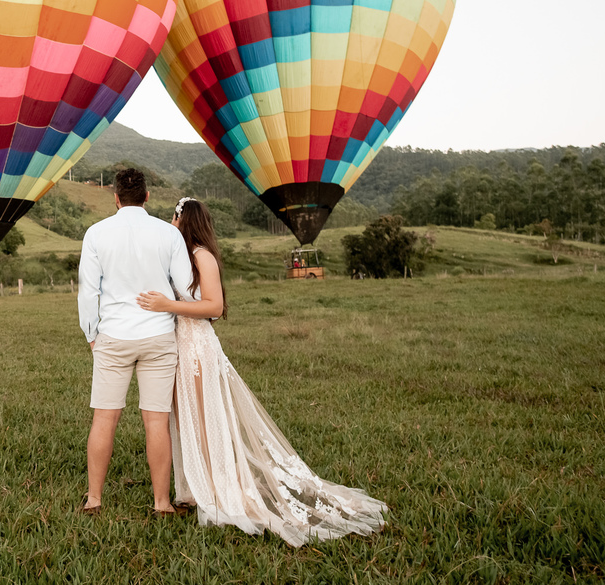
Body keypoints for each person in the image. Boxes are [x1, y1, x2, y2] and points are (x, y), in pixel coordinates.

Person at [137, 197, 388, 546]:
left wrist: (168, 305)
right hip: (177, 344)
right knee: (186, 420)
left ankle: (219, 489)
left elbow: (214, 306)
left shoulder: (201, 256)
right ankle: (194, 487)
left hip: (197, 346)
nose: (171, 224)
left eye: (174, 218)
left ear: (184, 220)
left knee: (206, 420)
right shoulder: (179, 258)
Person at [77, 168, 193, 516]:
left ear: (115, 198)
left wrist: (92, 334)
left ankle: (94, 499)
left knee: (104, 418)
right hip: (158, 335)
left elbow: (88, 291)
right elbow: (185, 288)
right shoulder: (167, 234)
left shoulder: (96, 233)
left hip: (113, 336)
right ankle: (162, 503)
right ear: (146, 197)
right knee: (156, 421)